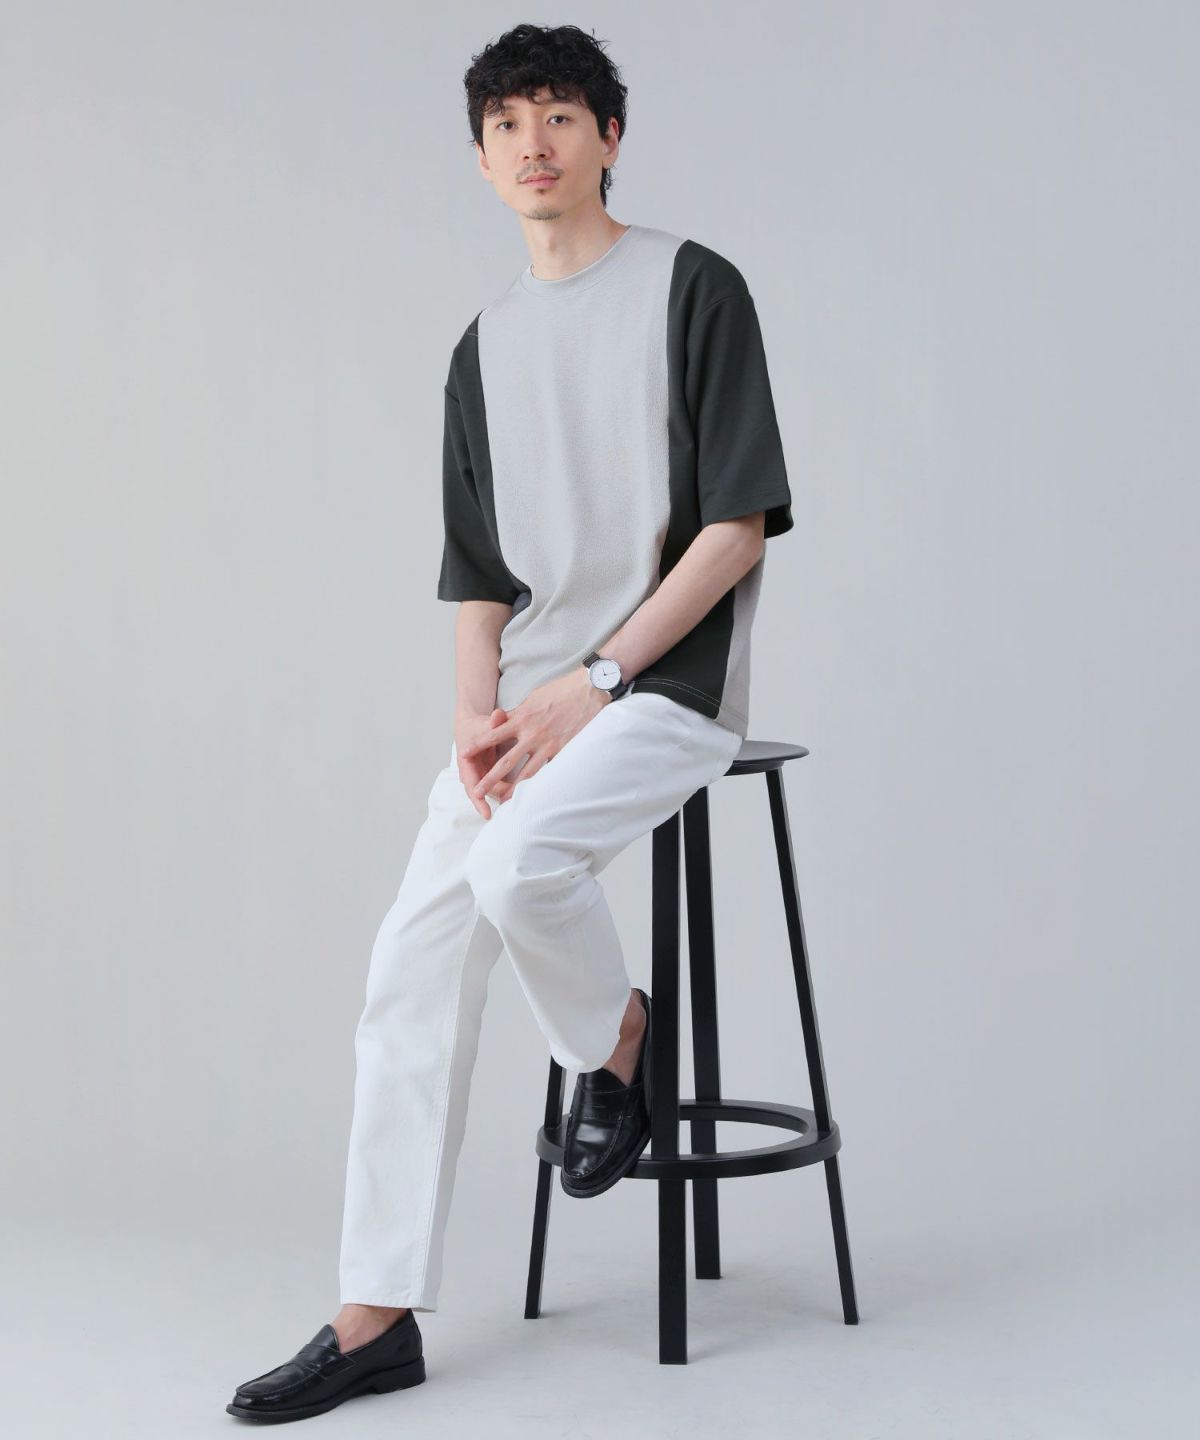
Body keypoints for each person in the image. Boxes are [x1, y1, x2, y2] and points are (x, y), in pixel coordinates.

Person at [225, 21, 794, 1423]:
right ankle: (373, 1319)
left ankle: (617, 1042)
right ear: (482, 161)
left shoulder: (696, 287)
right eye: (505, 125)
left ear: (609, 137)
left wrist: (589, 682)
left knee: (519, 868)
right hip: (529, 707)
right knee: (406, 971)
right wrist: (474, 723)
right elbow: (477, 573)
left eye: (558, 115)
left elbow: (736, 530)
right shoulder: (482, 348)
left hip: (661, 689)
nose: (533, 143)